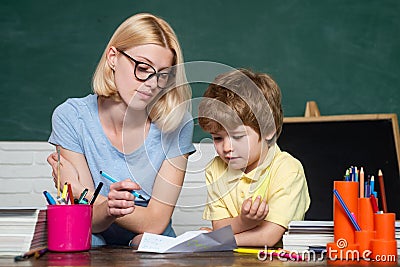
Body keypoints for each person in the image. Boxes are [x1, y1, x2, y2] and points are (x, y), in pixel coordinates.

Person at [47, 13, 195, 246]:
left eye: (163, 75)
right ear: (113, 57)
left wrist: (86, 195)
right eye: (143, 68)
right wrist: (108, 207)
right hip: (92, 248)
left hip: (152, 252)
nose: (152, 84)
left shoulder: (177, 124)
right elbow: (87, 222)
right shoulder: (71, 118)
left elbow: (155, 223)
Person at [198, 68, 310, 247]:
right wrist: (244, 222)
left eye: (238, 136)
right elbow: (219, 226)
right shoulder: (215, 169)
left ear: (268, 130)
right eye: (218, 138)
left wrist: (216, 240)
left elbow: (269, 237)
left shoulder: (288, 169)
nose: (227, 148)